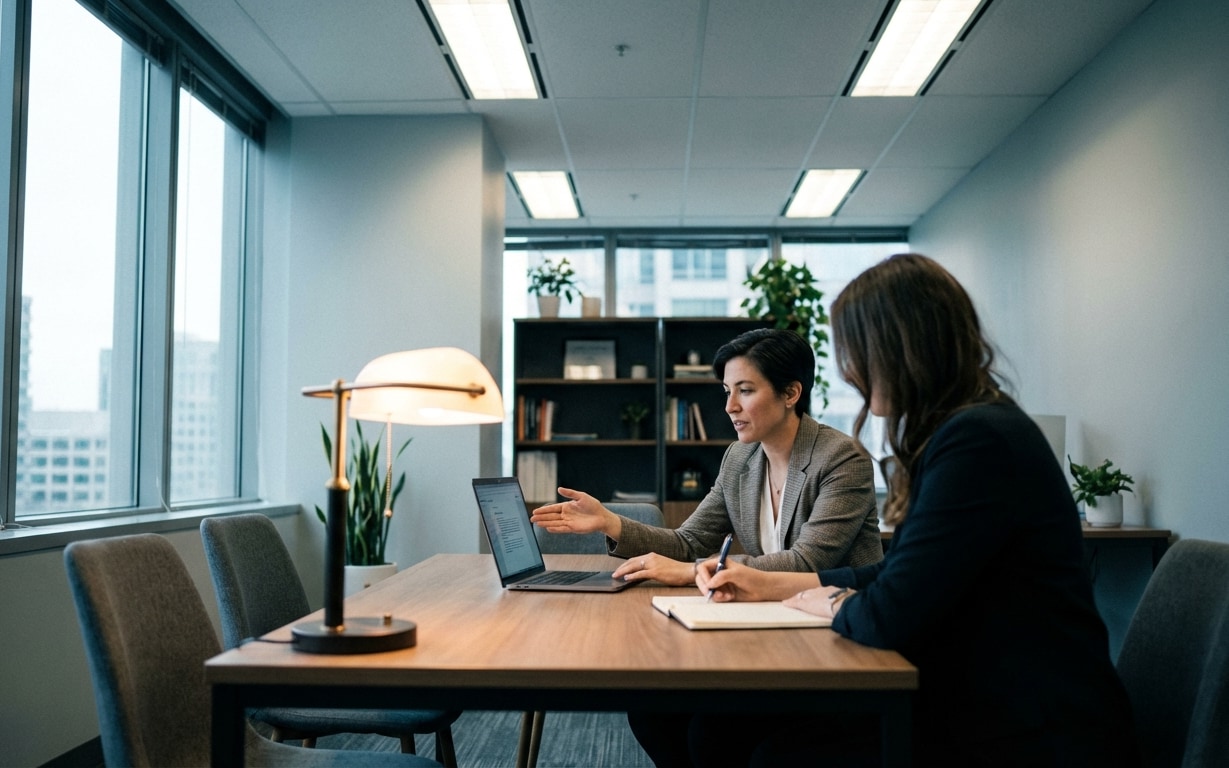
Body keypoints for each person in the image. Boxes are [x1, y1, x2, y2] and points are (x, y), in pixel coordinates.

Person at [695, 253, 1139, 766]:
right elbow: (900, 574)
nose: (850, 371)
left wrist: (834, 601)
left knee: (770, 753)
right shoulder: (967, 429)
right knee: (718, 731)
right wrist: (784, 584)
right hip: (982, 693)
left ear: (899, 349)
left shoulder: (977, 441)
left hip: (1026, 723)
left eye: (856, 351)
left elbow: (889, 614)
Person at [530, 327, 882, 588]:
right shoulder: (740, 458)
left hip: (844, 620)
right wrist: (610, 521)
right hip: (777, 610)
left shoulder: (840, 459)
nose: (730, 407)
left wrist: (694, 570)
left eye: (745, 391)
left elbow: (808, 562)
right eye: (728, 392)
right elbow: (690, 542)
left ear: (790, 393)